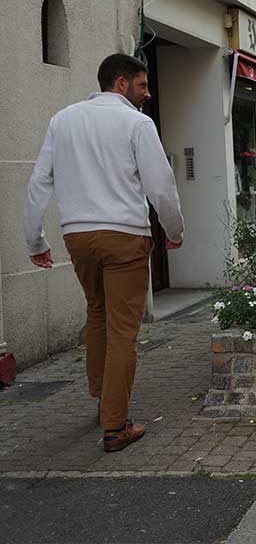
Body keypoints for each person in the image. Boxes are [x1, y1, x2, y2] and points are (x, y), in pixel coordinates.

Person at [23, 53, 184, 453]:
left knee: (96, 311)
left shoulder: (62, 120)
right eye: (143, 85)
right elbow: (160, 185)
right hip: (124, 235)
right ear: (120, 84)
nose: (147, 93)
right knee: (123, 331)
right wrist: (174, 230)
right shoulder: (136, 122)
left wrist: (35, 240)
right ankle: (115, 426)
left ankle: (101, 398)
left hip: (77, 236)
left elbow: (39, 180)